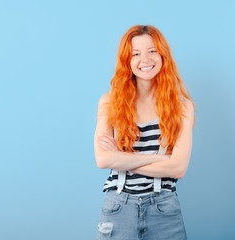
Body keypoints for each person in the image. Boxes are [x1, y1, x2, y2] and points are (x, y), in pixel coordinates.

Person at [94, 25, 195, 240]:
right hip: (119, 207)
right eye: (136, 54)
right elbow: (103, 159)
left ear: (162, 55)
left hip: (164, 209)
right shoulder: (110, 102)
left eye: (152, 51)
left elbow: (178, 168)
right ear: (127, 61)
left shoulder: (182, 106)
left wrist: (120, 158)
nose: (145, 59)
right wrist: (162, 161)